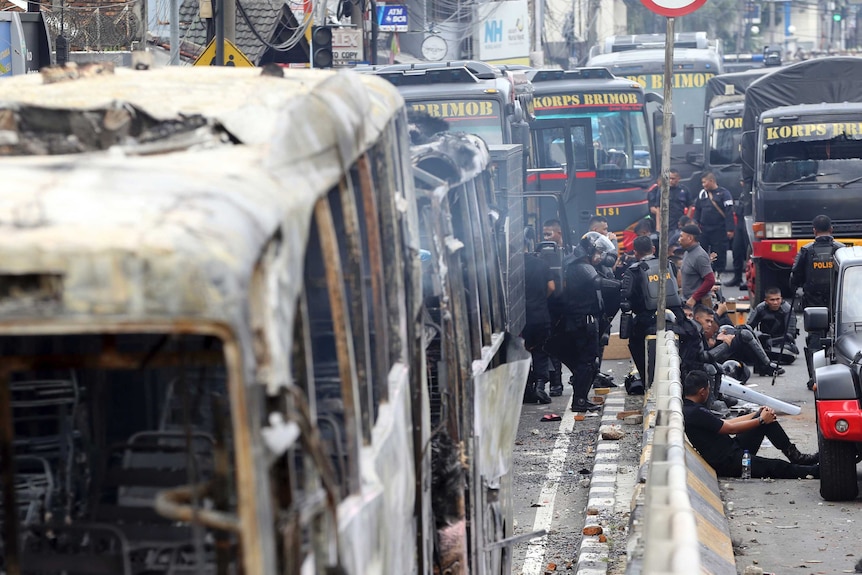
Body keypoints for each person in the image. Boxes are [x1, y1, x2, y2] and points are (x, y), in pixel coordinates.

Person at [682, 370, 819, 479]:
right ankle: (812, 471)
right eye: (709, 389)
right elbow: (730, 428)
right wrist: (760, 420)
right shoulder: (695, 412)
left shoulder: (691, 408)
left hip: (733, 450)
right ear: (702, 392)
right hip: (729, 462)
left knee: (765, 421)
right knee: (775, 466)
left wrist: (757, 414)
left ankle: (796, 456)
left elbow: (725, 423)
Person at [546, 232, 620, 411]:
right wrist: (622, 285)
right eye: (598, 251)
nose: (600, 256)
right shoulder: (579, 266)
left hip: (584, 320)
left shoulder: (580, 262)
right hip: (580, 321)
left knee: (587, 363)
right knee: (587, 362)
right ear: (588, 250)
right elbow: (598, 282)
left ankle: (581, 398)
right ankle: (579, 401)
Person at [790, 214, 844, 390]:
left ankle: (815, 378)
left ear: (814, 230)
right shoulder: (840, 249)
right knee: (840, 338)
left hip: (813, 305)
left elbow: (795, 276)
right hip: (837, 303)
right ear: (832, 229)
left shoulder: (806, 250)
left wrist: (795, 287)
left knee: (814, 340)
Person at [620, 235, 682, 385]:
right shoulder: (668, 265)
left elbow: (625, 297)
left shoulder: (633, 271)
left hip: (646, 319)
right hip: (675, 316)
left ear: (635, 253)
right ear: (653, 249)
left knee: (635, 344)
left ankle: (647, 380)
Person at [693, 304, 781, 377]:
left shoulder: (700, 329)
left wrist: (717, 338)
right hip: (706, 363)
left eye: (710, 322)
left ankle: (765, 365)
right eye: (707, 321)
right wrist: (725, 344)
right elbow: (704, 357)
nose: (709, 324)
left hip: (715, 346)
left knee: (745, 332)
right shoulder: (693, 332)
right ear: (697, 318)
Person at [522, 231, 555, 404]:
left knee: (523, 352)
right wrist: (542, 298)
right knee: (541, 351)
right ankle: (540, 386)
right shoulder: (542, 264)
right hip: (541, 315)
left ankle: (526, 388)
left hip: (520, 318)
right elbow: (551, 286)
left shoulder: (512, 266)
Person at [542, 218, 567, 396]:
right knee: (552, 345)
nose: (545, 238)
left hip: (567, 306)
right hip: (551, 307)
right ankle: (555, 384)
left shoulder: (569, 253)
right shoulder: (542, 254)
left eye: (548, 234)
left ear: (559, 233)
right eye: (543, 234)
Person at [693, 172, 735, 275]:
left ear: (711, 181)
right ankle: (703, 272)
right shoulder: (702, 193)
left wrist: (730, 229)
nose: (703, 185)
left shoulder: (724, 194)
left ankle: (718, 273)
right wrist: (695, 224)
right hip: (704, 229)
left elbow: (729, 212)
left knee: (719, 252)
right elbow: (697, 210)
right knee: (701, 251)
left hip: (719, 229)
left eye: (704, 182)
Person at [747, 287, 799, 364]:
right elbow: (749, 327)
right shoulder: (760, 308)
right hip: (763, 342)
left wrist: (772, 341)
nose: (775, 302)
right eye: (772, 300)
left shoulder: (788, 310)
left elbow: (790, 335)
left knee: (788, 350)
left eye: (777, 299)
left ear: (781, 299)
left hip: (782, 343)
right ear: (766, 301)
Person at [678, 223, 715, 309]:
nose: (679, 240)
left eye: (681, 237)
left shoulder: (699, 256)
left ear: (690, 238)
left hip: (698, 304)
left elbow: (710, 280)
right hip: (688, 302)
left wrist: (694, 298)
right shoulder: (687, 252)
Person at [647, 168, 693, 233]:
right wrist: (658, 227)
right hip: (666, 223)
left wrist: (687, 220)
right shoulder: (662, 191)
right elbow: (658, 209)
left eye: (673, 178)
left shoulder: (684, 190)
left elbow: (690, 206)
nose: (670, 180)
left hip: (680, 223)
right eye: (669, 178)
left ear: (678, 178)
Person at [726, 180, 751, 288]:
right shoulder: (743, 192)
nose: (741, 183)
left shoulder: (751, 192)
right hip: (740, 224)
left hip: (748, 224)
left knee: (748, 253)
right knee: (736, 251)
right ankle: (737, 277)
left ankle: (748, 280)